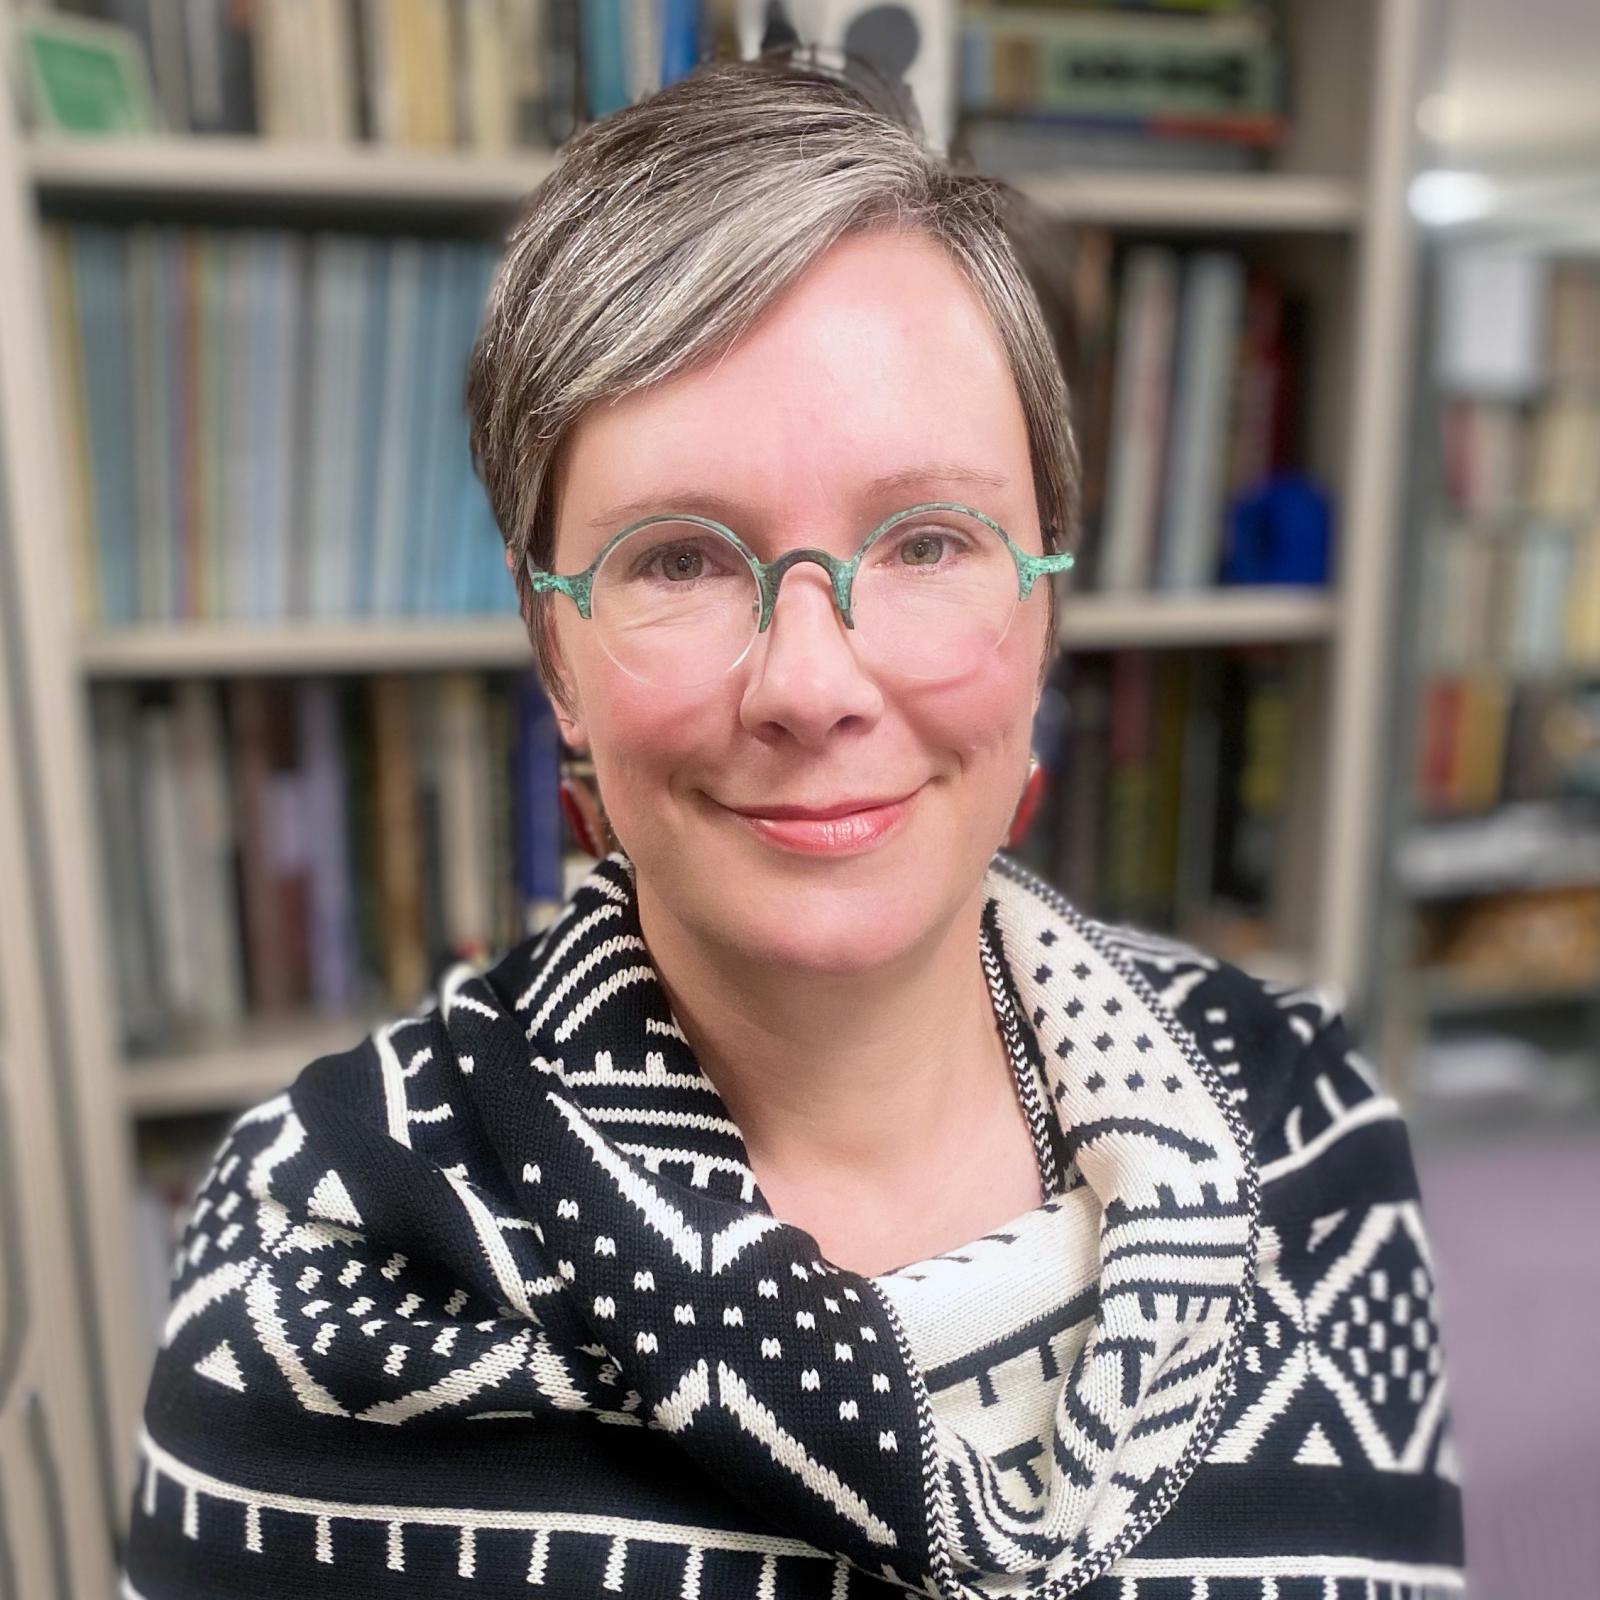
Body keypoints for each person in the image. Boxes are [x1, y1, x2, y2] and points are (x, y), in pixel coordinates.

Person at [123, 51, 1465, 1600]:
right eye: (681, 559)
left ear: (1046, 605)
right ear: (555, 651)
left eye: (927, 541)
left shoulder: (1308, 1123)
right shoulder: (316, 1257)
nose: (812, 686)